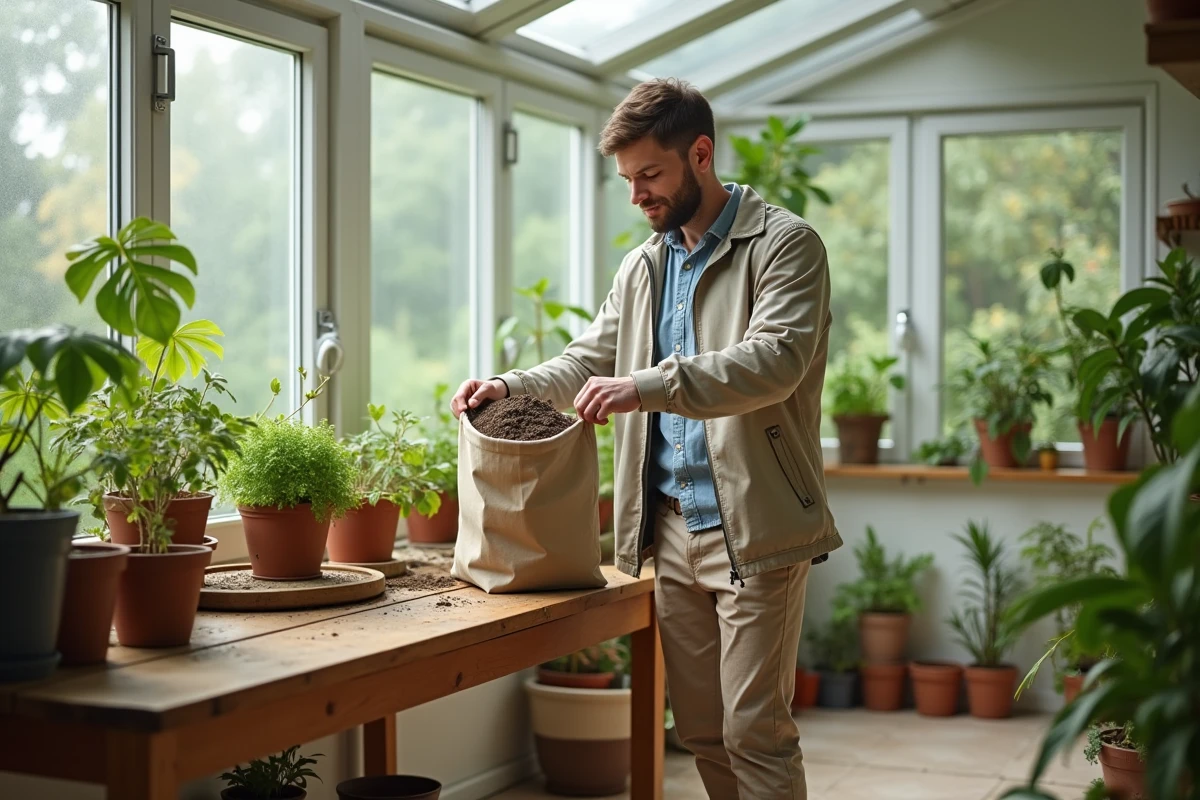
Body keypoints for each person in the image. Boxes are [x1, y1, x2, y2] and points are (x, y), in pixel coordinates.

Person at [451, 77, 840, 800]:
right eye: (627, 180)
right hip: (667, 534)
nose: (637, 197)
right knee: (700, 731)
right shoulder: (645, 266)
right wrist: (509, 386)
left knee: (755, 731)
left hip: (753, 531)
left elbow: (774, 363)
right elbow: (587, 361)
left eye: (650, 176)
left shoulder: (785, 246)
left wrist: (649, 385)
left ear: (700, 154)